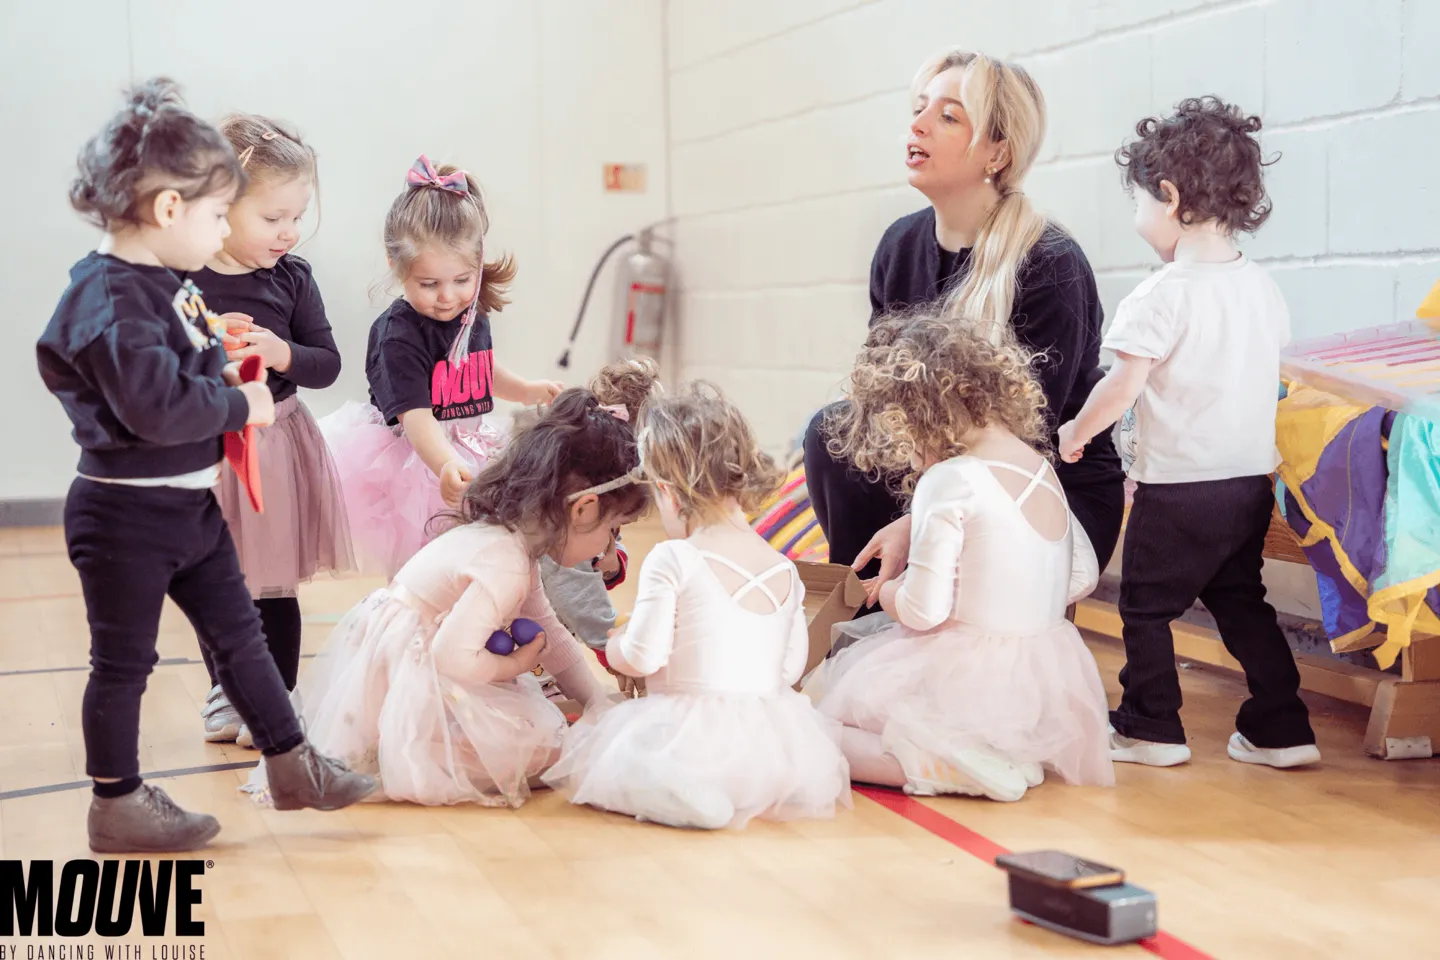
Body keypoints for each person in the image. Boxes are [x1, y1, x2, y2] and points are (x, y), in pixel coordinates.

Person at [35, 79, 375, 853]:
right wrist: (240, 407)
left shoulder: (155, 282)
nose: (224, 228)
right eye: (218, 214)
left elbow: (180, 373)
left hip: (186, 506)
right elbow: (153, 409)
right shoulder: (111, 296)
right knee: (123, 662)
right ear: (168, 211)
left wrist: (225, 368)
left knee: (242, 637)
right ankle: (116, 802)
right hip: (128, 515)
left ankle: (292, 763)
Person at [1058, 97, 1319, 770]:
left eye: (1140, 201)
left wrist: (1075, 432)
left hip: (1179, 489)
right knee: (1242, 601)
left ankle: (1150, 726)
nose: (1138, 217)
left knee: (1145, 610)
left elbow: (1122, 385)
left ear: (1169, 196)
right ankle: (1282, 726)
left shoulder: (1163, 293)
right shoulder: (1263, 290)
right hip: (1247, 485)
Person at [803, 48, 1123, 591]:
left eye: (948, 116)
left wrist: (921, 517)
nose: (918, 123)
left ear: (997, 152)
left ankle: (899, 627)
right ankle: (866, 617)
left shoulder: (1050, 262)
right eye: (920, 108)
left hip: (1044, 496)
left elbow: (1028, 444)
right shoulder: (899, 245)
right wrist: (919, 505)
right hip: (934, 478)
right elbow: (881, 406)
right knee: (833, 431)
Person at [246, 389, 650, 807]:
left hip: (406, 665)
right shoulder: (506, 563)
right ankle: (417, 749)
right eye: (614, 530)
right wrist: (515, 665)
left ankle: (413, 743)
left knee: (538, 733)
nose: (609, 547)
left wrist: (599, 704)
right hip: (416, 675)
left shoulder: (510, 543)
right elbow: (451, 658)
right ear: (583, 510)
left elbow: (552, 635)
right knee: (543, 753)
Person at [805, 315, 1113, 801]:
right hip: (1035, 685)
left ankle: (951, 765)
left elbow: (925, 612)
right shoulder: (1039, 466)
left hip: (964, 683)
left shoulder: (951, 480)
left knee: (817, 728)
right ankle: (1005, 755)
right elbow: (1077, 576)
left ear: (917, 416)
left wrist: (886, 592)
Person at [544, 384, 851, 828]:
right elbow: (788, 671)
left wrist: (617, 643)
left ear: (668, 492)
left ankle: (688, 797)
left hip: (685, 737)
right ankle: (733, 792)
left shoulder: (675, 557)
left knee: (605, 755)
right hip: (763, 747)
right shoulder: (785, 568)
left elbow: (642, 657)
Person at [189, 113, 357, 748]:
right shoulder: (183, 278)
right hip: (207, 449)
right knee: (216, 579)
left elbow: (328, 364)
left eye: (298, 215)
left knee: (274, 581)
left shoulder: (292, 278)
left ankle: (277, 695)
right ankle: (226, 692)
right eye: (273, 217)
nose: (289, 231)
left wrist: (283, 353)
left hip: (277, 442)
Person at [323, 155, 563, 577]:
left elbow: (478, 370)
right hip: (418, 456)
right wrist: (444, 464)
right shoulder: (398, 336)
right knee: (424, 567)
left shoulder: (472, 315)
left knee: (477, 556)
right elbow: (416, 418)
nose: (448, 297)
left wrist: (525, 389)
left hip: (469, 445)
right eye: (429, 284)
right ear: (395, 265)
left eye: (462, 280)